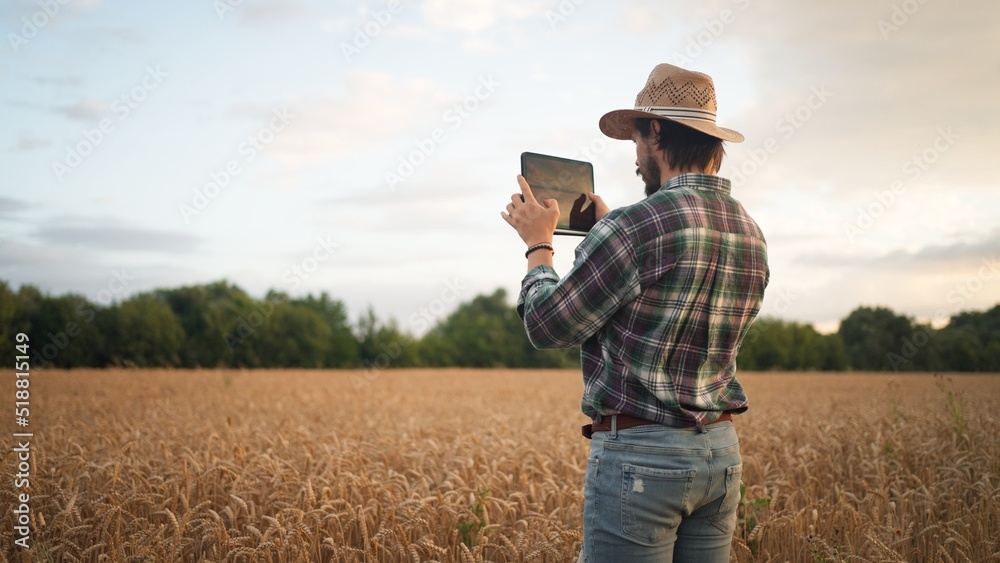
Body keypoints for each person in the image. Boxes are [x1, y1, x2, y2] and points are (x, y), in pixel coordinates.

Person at [500, 63, 769, 562]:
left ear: (657, 131)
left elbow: (547, 324)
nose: (636, 160)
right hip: (720, 454)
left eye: (636, 141)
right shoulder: (750, 231)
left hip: (642, 460)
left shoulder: (632, 229)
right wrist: (609, 232)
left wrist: (538, 245)